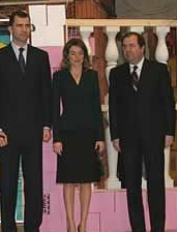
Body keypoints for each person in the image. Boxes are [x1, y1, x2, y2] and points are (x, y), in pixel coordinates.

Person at [0, 10, 52, 232]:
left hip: (34, 131)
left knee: (34, 183)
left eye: (27, 25)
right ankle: (8, 228)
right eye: (20, 25)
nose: (24, 29)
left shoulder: (41, 57)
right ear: (10, 29)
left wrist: (46, 124)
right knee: (8, 184)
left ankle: (33, 227)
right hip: (7, 133)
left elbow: (46, 94)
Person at [109, 32, 176, 232]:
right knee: (132, 186)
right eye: (124, 47)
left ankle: (158, 228)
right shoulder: (117, 73)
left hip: (154, 136)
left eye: (131, 46)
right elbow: (114, 107)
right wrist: (115, 135)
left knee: (156, 185)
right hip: (128, 139)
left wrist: (169, 131)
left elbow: (168, 103)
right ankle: (137, 228)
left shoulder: (159, 70)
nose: (127, 50)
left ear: (142, 48)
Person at [52, 38, 105, 232]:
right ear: (67, 56)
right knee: (69, 181)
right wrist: (56, 138)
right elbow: (53, 109)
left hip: (88, 134)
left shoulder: (92, 76)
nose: (76, 57)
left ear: (85, 56)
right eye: (73, 53)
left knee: (85, 181)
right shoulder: (59, 77)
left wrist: (100, 137)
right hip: (66, 134)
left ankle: (83, 223)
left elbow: (96, 108)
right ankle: (71, 225)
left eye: (80, 53)